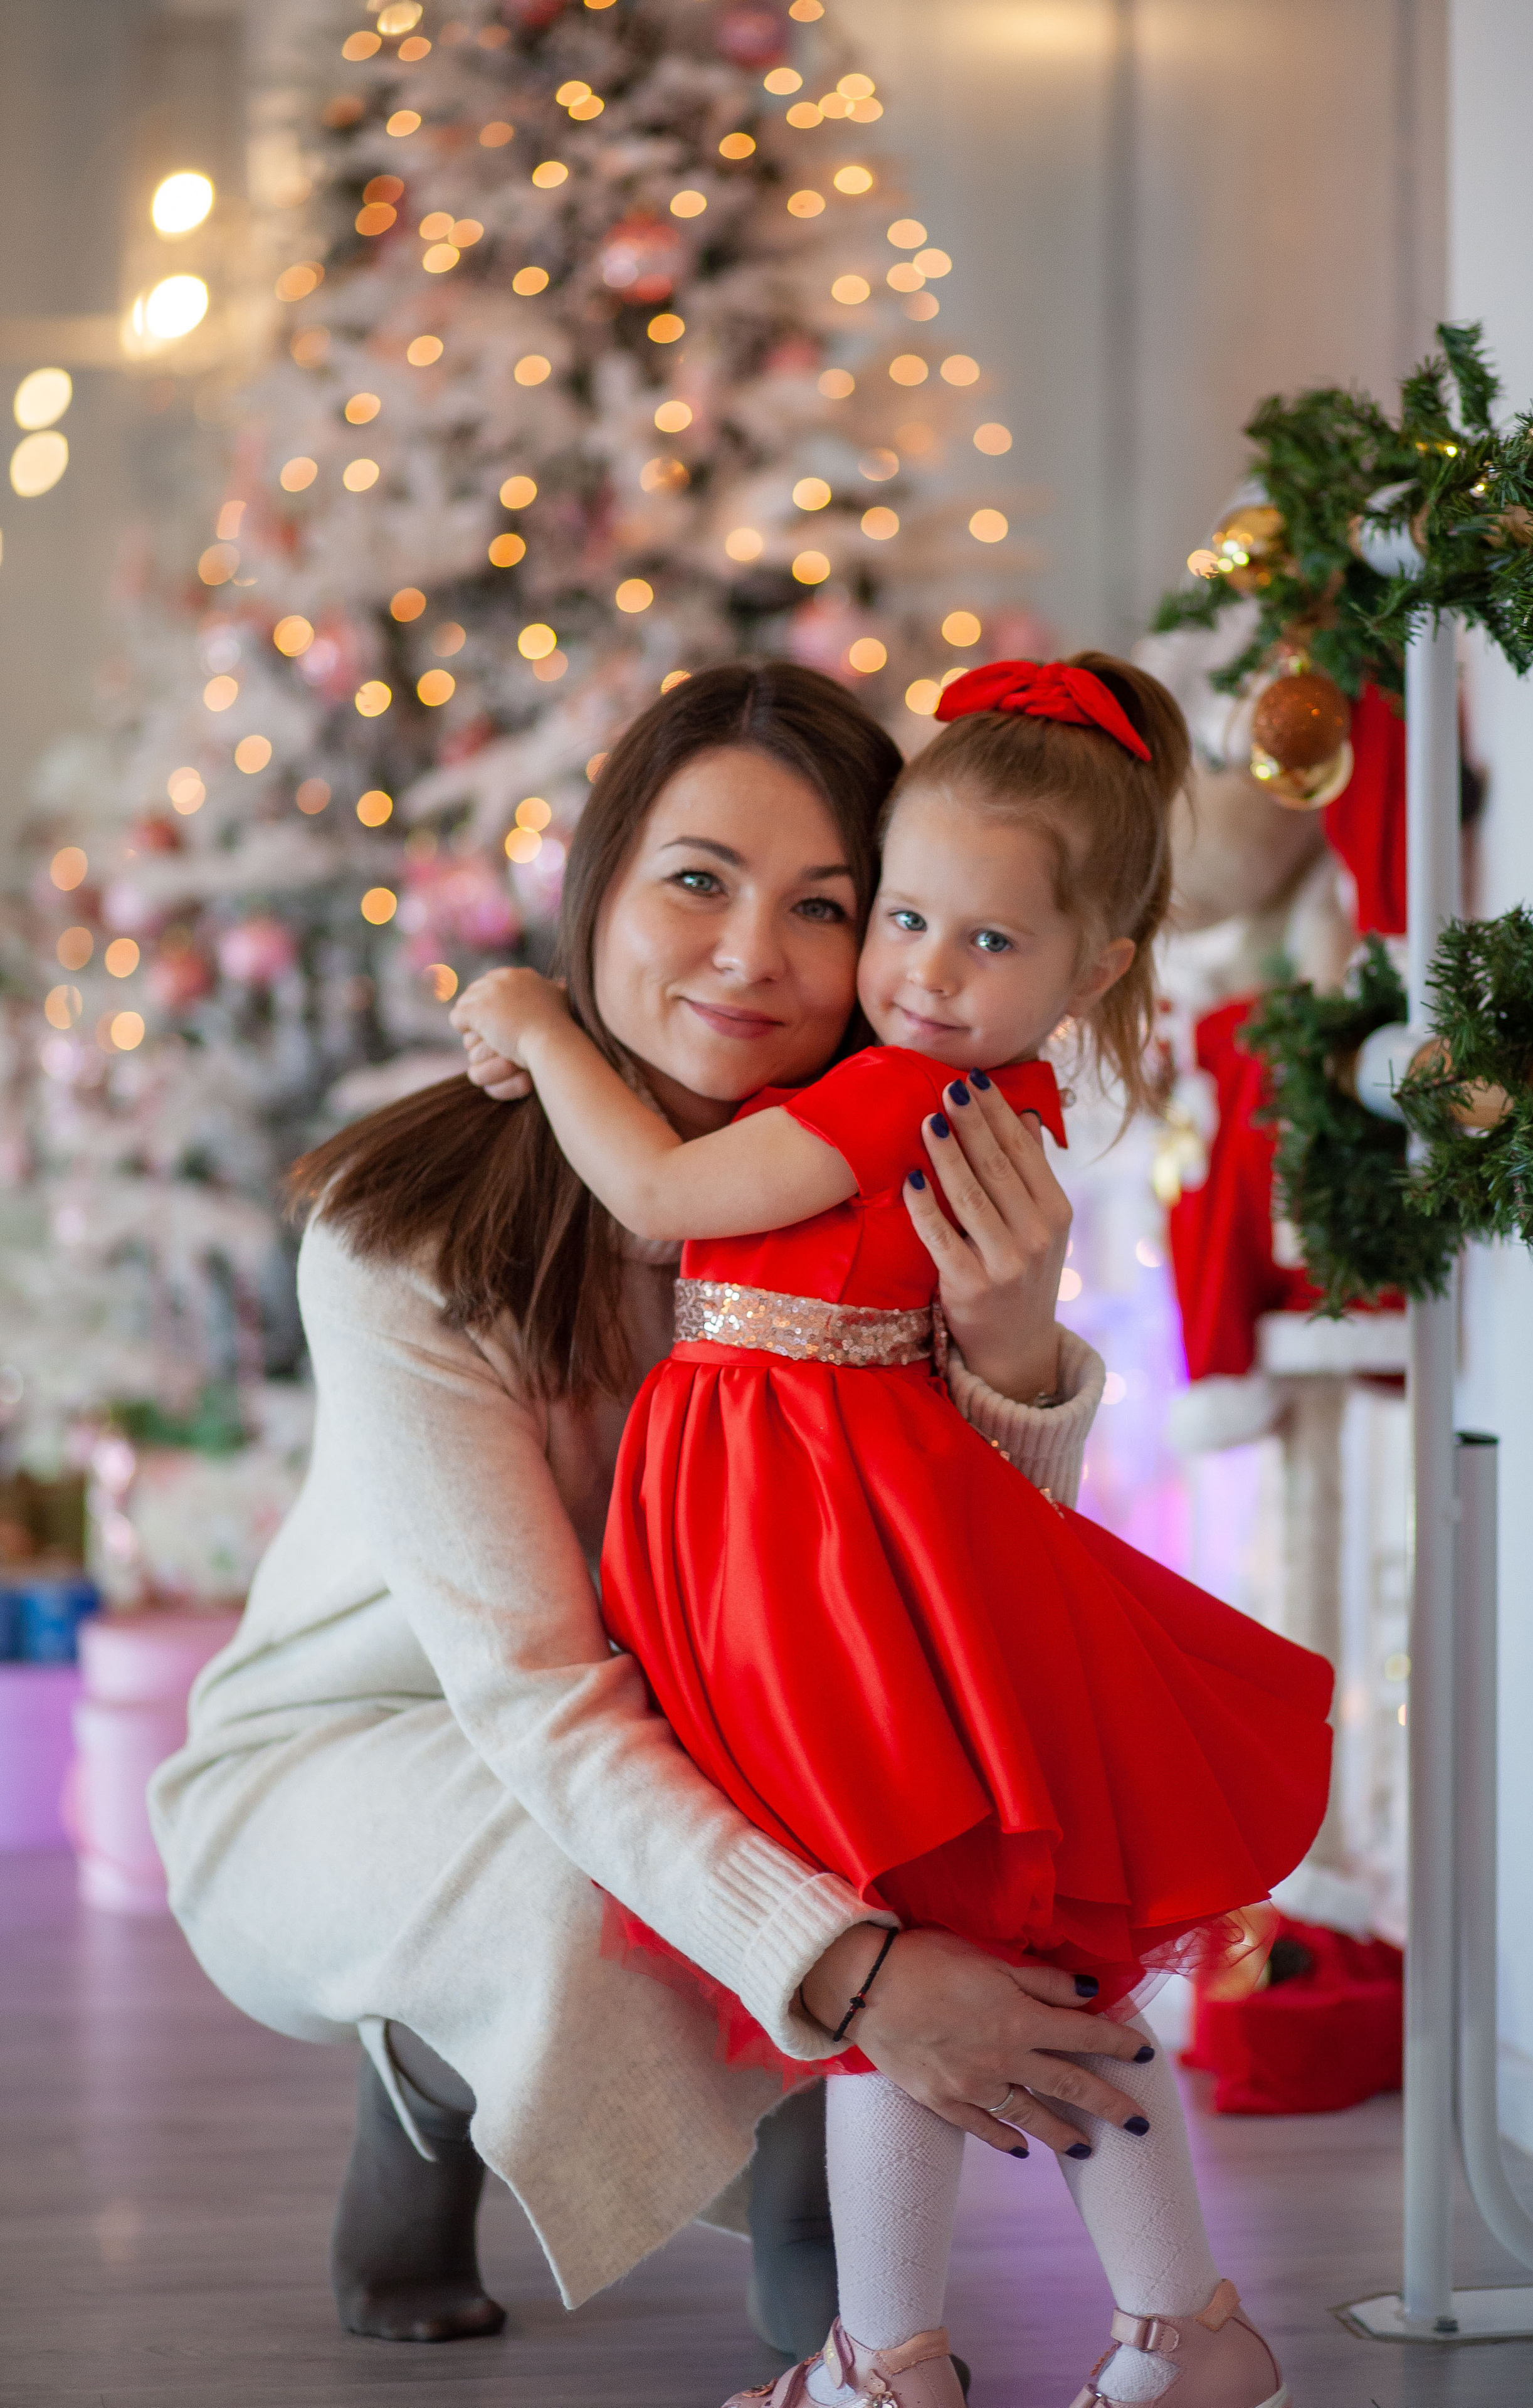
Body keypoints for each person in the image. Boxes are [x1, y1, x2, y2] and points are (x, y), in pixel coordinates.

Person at [149, 662, 1154, 2365]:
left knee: (908, 1776)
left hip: (720, 1728)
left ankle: (826, 2191)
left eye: (823, 905)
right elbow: (536, 1698)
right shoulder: (404, 1233)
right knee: (583, 1895)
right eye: (697, 880)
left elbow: (968, 1596)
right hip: (368, 1750)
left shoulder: (903, 1182)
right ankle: (439, 2084)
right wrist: (857, 1973)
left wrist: (1007, 1352)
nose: (751, 955)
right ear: (598, 886)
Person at [450, 655, 1333, 2408]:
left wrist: (541, 1028)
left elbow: (659, 1195)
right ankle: (1121, 2335)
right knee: (997, 1958)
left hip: (833, 1574)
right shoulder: (958, 1087)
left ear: (1093, 969)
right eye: (905, 920)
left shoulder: (886, 1092)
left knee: (954, 1956)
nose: (922, 973)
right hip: (857, 1553)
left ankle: (927, 2354)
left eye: (981, 940)